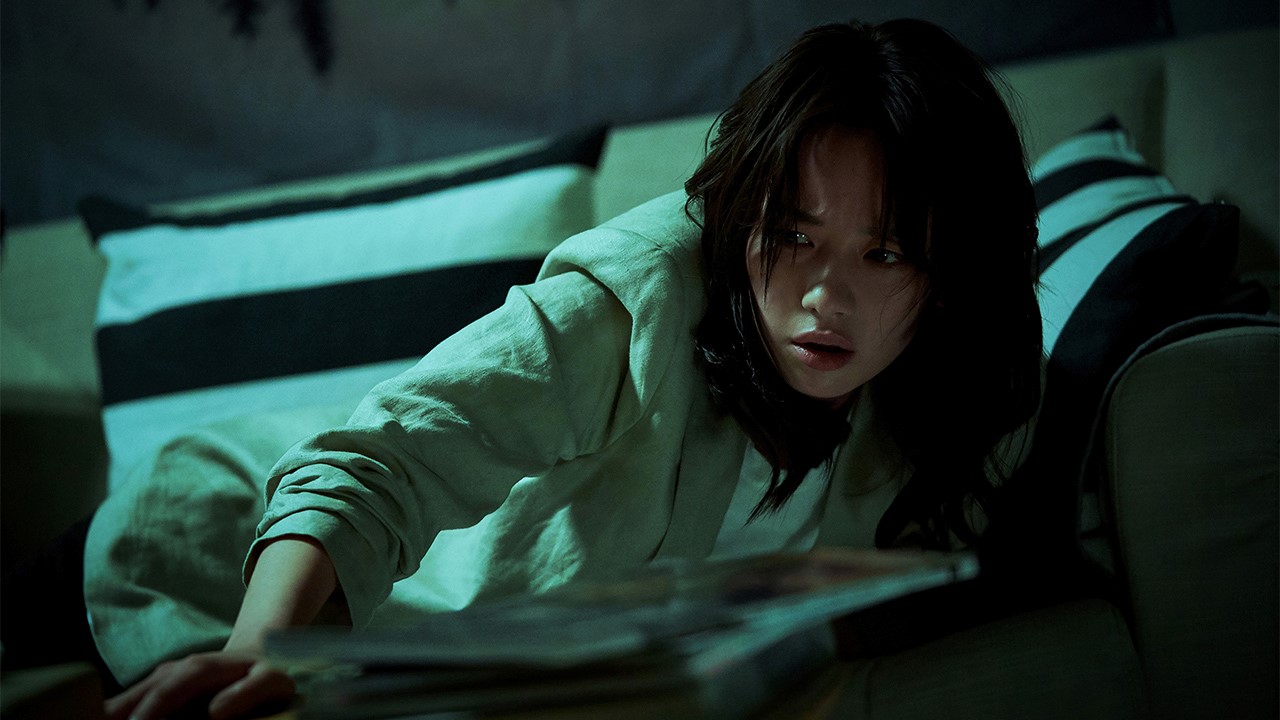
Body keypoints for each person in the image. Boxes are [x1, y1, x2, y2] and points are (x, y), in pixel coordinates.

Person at [105, 17, 1041, 720]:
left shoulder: (963, 382)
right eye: (794, 237)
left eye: (884, 254)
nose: (825, 298)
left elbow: (930, 572)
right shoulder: (638, 300)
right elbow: (378, 467)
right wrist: (261, 647)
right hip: (232, 543)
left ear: (950, 276)